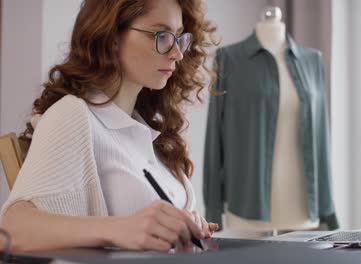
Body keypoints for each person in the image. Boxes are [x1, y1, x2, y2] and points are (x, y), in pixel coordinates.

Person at [0, 0, 218, 252]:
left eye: (179, 37)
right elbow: (12, 228)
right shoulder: (74, 115)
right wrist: (123, 228)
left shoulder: (147, 131)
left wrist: (185, 227)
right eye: (162, 35)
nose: (177, 53)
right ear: (112, 36)